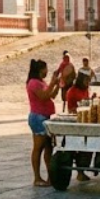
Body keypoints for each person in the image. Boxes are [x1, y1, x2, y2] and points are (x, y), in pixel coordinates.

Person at [26, 59, 61, 187]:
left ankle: (50, 177)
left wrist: (57, 84)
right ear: (40, 70)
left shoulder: (41, 82)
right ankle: (37, 177)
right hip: (38, 117)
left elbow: (52, 95)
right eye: (45, 69)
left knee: (48, 147)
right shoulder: (33, 83)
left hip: (46, 117)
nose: (47, 71)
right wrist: (52, 82)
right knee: (38, 148)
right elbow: (44, 96)